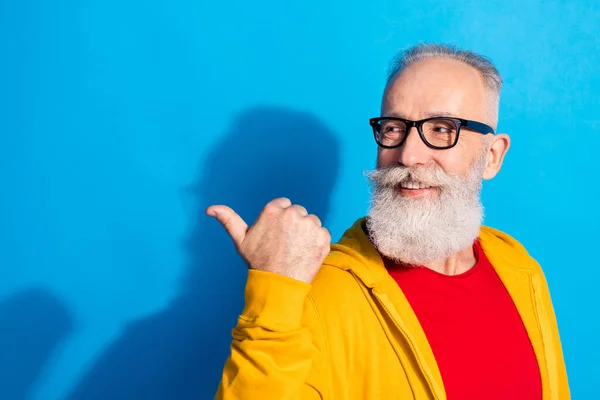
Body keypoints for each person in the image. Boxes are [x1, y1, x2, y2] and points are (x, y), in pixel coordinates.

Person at [206, 43, 570, 399]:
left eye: (442, 129)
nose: (408, 155)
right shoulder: (319, 293)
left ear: (492, 157)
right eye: (393, 128)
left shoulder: (519, 269)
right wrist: (275, 291)